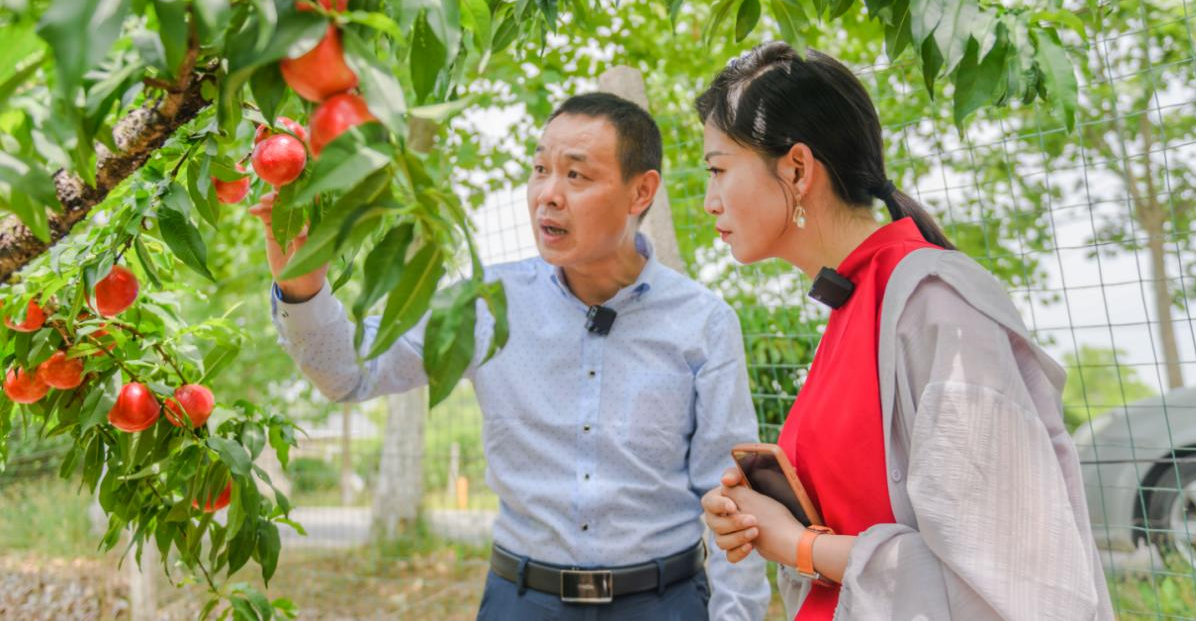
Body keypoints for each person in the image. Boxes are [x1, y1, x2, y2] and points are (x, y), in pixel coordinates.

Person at [253, 92, 770, 620]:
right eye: (540, 169)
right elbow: (348, 373)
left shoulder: (702, 322)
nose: (548, 194)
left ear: (642, 191)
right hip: (522, 601)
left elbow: (733, 497)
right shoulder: (483, 303)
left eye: (576, 176)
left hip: (664, 603)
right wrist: (302, 286)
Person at [695, 42, 1112, 620]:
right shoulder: (856, 304)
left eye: (717, 170)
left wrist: (797, 545)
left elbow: (1008, 568)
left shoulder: (934, 305)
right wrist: (757, 517)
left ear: (796, 168)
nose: (709, 202)